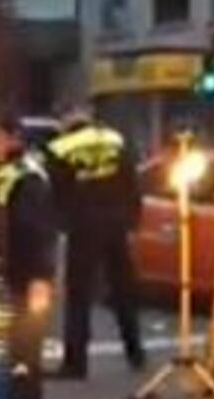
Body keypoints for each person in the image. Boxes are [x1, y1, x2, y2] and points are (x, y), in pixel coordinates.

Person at [46, 107, 145, 377]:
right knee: (123, 290)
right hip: (116, 224)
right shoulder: (114, 139)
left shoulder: (60, 148)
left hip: (84, 225)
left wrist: (63, 224)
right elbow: (132, 180)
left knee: (79, 295)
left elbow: (56, 192)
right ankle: (135, 353)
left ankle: (76, 364)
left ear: (67, 124)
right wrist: (132, 218)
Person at [0, 117, 57, 399]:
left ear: (13, 137)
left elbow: (38, 234)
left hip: (23, 286)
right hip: (1, 285)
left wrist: (40, 281)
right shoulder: (0, 174)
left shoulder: (26, 178)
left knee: (22, 372)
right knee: (3, 370)